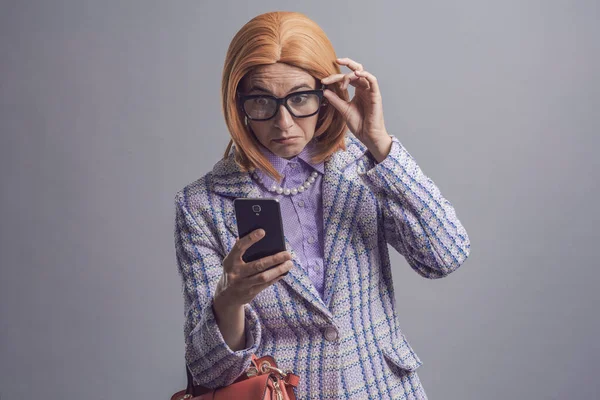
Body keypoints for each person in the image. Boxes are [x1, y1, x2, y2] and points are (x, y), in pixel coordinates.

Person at [174, 11, 470, 400]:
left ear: (327, 94)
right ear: (239, 103)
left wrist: (378, 143)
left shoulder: (362, 169)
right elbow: (208, 369)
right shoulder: (202, 205)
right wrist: (230, 300)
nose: (283, 123)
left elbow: (444, 256)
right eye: (262, 101)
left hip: (383, 389)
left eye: (300, 99)